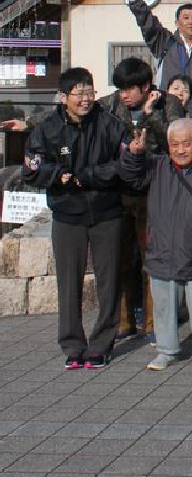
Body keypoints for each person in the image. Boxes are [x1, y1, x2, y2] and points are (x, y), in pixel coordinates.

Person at [22, 67, 129, 370]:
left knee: (109, 282)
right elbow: (32, 168)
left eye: (89, 92)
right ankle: (72, 344)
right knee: (69, 283)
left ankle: (101, 345)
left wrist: (88, 176)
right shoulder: (48, 128)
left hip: (107, 211)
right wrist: (61, 176)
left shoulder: (110, 124)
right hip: (67, 214)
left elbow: (124, 164)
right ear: (64, 97)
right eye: (79, 93)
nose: (85, 99)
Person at [120, 119, 192, 371]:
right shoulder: (157, 166)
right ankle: (166, 349)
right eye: (174, 144)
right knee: (163, 305)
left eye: (186, 144)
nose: (180, 150)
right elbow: (131, 178)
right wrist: (134, 156)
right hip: (163, 251)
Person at [99, 57, 185, 344]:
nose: (123, 95)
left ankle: (152, 322)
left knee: (152, 259)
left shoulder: (168, 103)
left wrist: (149, 116)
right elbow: (84, 118)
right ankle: (124, 321)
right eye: (120, 88)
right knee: (121, 258)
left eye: (129, 89)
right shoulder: (110, 105)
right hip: (118, 191)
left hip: (153, 191)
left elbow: (175, 140)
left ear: (146, 86)